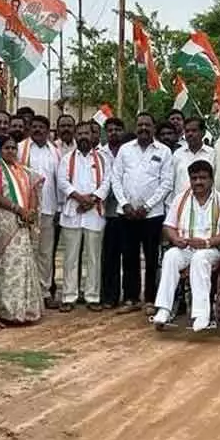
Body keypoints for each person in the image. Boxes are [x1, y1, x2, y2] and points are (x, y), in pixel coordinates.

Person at [152, 160, 220, 331]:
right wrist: (176, 239)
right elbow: (168, 226)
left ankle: (201, 314)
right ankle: (164, 308)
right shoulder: (181, 199)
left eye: (203, 178)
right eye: (194, 178)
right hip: (185, 247)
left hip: (211, 249)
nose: (198, 182)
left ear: (211, 180)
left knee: (199, 259)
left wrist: (207, 242)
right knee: (170, 256)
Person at [112, 112, 174, 313]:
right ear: (136, 127)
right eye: (140, 125)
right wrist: (125, 204)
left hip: (152, 215)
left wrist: (147, 206)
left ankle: (150, 299)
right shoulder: (124, 150)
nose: (144, 128)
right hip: (127, 213)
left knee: (151, 257)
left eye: (148, 125)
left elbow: (166, 183)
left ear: (154, 128)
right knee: (129, 257)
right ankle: (131, 298)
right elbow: (116, 179)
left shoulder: (164, 151)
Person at [0, 137, 44, 323]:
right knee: (6, 266)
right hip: (5, 223)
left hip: (22, 224)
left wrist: (30, 212)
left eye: (13, 148)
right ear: (0, 151)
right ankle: (7, 312)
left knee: (22, 265)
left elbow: (34, 188)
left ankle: (25, 310)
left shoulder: (22, 171)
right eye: (7, 148)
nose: (10, 151)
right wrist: (18, 210)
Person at [58, 122, 111, 312]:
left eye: (86, 133)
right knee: (70, 258)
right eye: (79, 133)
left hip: (94, 214)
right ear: (75, 135)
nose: (82, 136)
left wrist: (92, 200)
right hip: (73, 212)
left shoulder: (103, 159)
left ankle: (92, 296)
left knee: (94, 257)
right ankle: (69, 296)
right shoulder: (66, 159)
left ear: (92, 135)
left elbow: (106, 183)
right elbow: (62, 182)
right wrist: (80, 198)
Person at [20, 116, 60, 308]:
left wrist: (59, 207)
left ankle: (44, 292)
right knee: (27, 251)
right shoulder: (20, 149)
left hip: (49, 209)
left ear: (48, 129)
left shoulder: (55, 152)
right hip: (26, 210)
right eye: (34, 127)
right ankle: (26, 292)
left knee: (45, 253)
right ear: (30, 129)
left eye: (41, 127)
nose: (38, 130)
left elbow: (59, 181)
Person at [100, 117, 127, 309]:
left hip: (126, 211)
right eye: (110, 130)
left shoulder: (129, 152)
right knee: (109, 257)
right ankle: (109, 295)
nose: (114, 133)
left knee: (128, 256)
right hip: (107, 212)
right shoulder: (100, 154)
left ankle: (129, 295)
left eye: (118, 129)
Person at [170, 116, 214, 198]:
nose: (190, 134)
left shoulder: (212, 154)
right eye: (187, 131)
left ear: (203, 133)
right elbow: (171, 182)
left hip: (206, 204)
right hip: (181, 204)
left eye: (194, 131)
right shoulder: (177, 154)